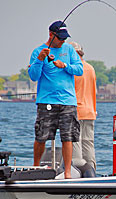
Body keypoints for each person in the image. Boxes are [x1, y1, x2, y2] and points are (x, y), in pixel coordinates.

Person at [28, 21, 83, 179]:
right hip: (47, 101)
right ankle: (36, 167)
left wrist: (65, 65)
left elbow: (79, 69)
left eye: (65, 38)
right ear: (51, 35)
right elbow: (33, 76)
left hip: (68, 101)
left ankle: (67, 173)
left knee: (68, 137)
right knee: (41, 137)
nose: (63, 41)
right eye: (60, 38)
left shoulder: (69, 50)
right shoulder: (38, 51)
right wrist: (40, 59)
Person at [69, 41, 97, 170]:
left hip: (76, 111)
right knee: (88, 143)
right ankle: (91, 171)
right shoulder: (90, 68)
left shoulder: (72, 70)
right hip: (90, 111)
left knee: (75, 143)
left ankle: (78, 171)